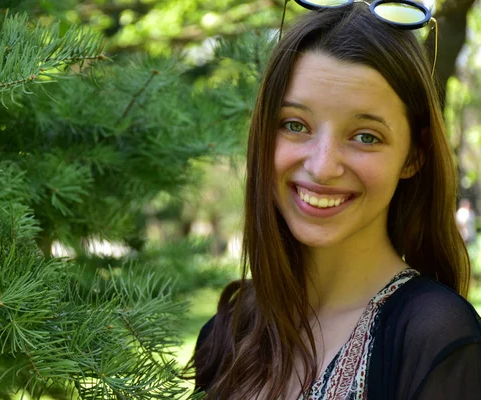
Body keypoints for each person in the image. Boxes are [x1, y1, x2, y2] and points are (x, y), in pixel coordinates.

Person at [190, 2, 481, 399]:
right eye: (295, 125)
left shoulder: (434, 339)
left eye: (365, 136)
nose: (323, 167)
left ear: (414, 155)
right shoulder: (229, 331)